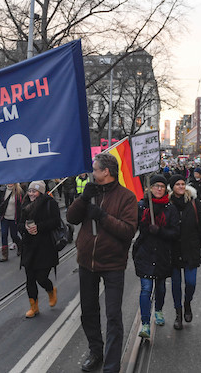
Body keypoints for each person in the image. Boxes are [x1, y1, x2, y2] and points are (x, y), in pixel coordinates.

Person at [67, 153, 137, 373]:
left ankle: (111, 366)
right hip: (87, 262)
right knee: (88, 310)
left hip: (113, 264)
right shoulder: (91, 192)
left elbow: (128, 231)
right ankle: (95, 351)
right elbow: (71, 218)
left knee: (113, 316)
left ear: (106, 171)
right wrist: (83, 199)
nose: (92, 172)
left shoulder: (127, 197)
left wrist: (102, 216)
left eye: (95, 169)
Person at [133, 174, 180, 338]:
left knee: (160, 287)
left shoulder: (170, 208)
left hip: (162, 254)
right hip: (145, 253)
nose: (159, 189)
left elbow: (175, 232)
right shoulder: (142, 206)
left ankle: (158, 310)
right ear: (150, 188)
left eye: (161, 186)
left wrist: (160, 231)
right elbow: (132, 225)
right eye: (155, 186)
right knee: (146, 289)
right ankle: (145, 323)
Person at [168, 174, 201, 331]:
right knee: (175, 285)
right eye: (177, 184)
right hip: (173, 250)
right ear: (172, 187)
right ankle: (178, 314)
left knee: (191, 282)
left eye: (182, 184)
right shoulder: (168, 203)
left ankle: (187, 303)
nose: (181, 186)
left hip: (191, 249)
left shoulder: (193, 203)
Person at [18, 180, 60, 318]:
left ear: (41, 192)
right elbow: (18, 224)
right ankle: (34, 307)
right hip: (29, 246)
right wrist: (24, 227)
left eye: (34, 191)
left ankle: (50, 290)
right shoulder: (24, 204)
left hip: (45, 247)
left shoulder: (49, 203)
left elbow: (56, 221)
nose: (31, 194)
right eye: (29, 191)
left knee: (41, 277)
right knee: (30, 278)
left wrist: (39, 227)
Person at [0, 183, 24, 262]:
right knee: (4, 234)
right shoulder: (2, 191)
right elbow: (0, 202)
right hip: (4, 217)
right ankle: (4, 255)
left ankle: (20, 246)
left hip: (14, 218)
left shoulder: (19, 192)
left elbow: (22, 205)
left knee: (14, 235)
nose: (10, 183)